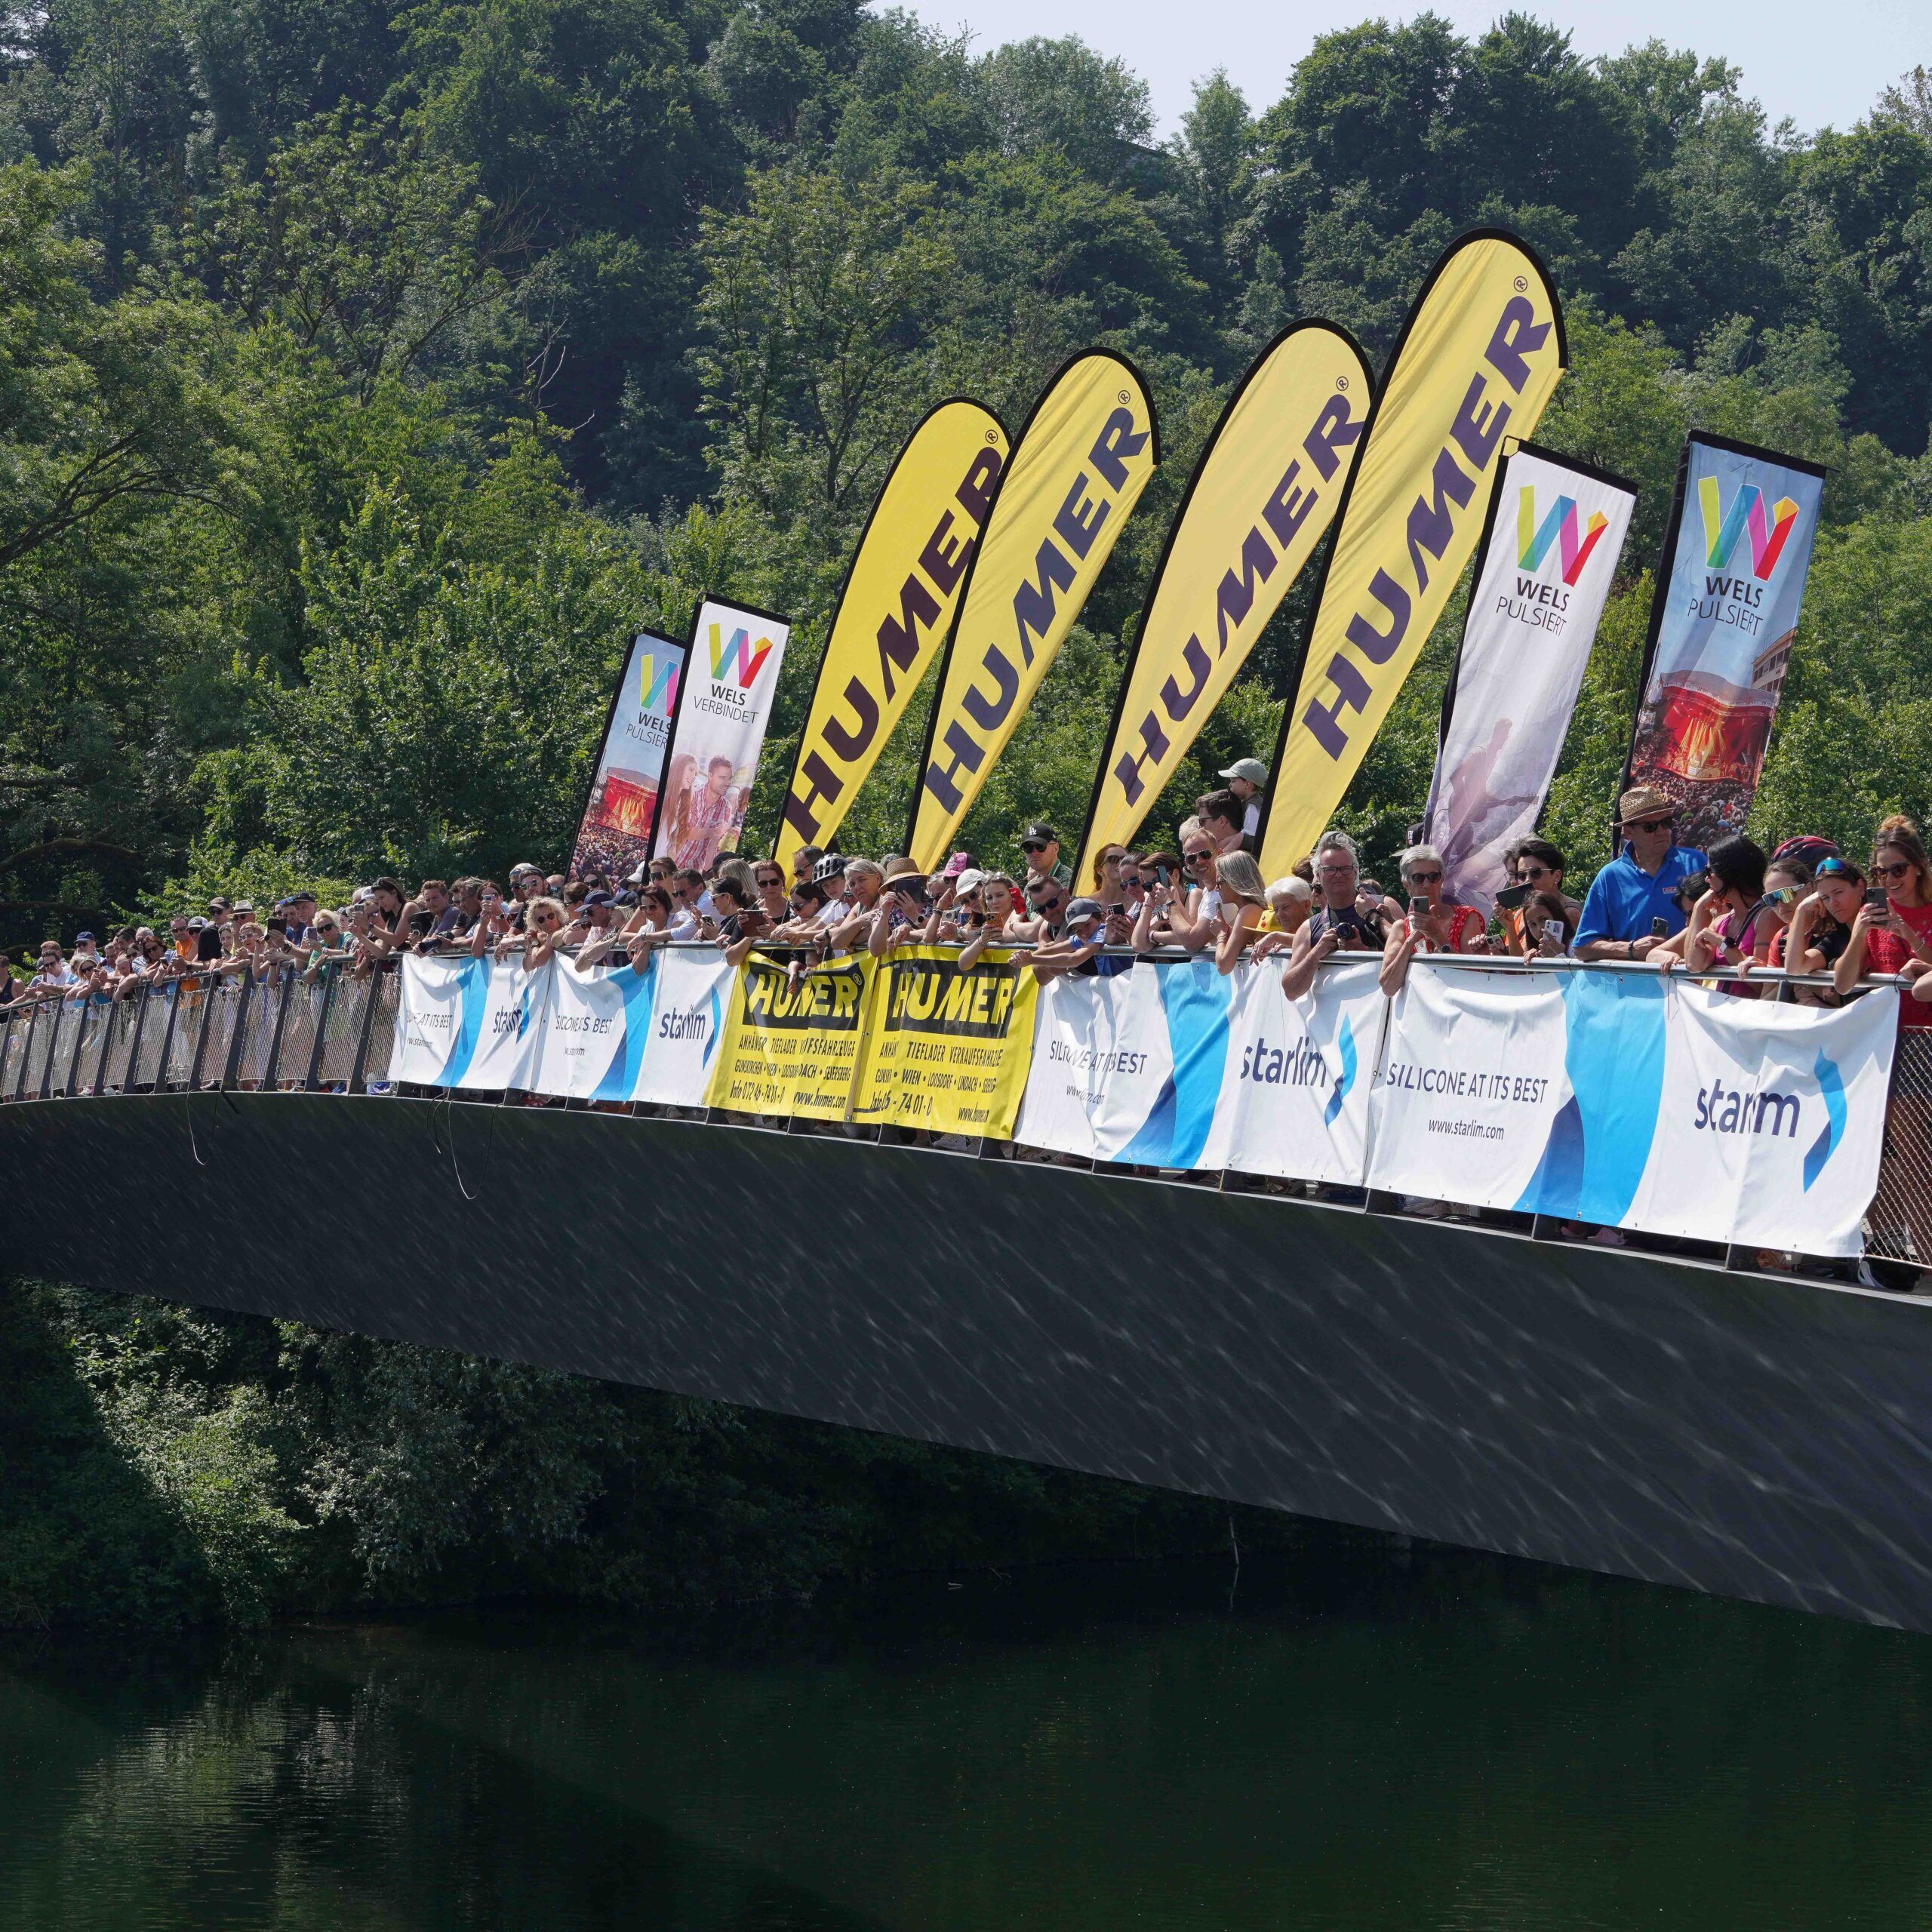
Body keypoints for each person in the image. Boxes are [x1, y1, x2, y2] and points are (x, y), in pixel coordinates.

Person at [1574, 786, 1706, 962]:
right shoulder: (1610, 877)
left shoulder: (1696, 862)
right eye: (1650, 826)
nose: (1661, 831)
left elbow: (1725, 917)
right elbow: (1582, 947)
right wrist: (1631, 949)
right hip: (1634, 985)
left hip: (1690, 982)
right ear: (1628, 832)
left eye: (1666, 823)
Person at [1278, 832, 1390, 1000]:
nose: (1339, 874)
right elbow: (1291, 991)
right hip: (1336, 1024)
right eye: (1330, 870)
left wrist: (1363, 951)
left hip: (1381, 1018)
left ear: (1355, 872)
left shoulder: (1384, 905)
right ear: (1318, 874)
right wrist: (1317, 952)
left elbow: (1413, 961)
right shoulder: (1309, 928)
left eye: (1345, 869)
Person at [1379, 843, 1491, 993]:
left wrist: (1437, 936)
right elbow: (1388, 987)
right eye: (1418, 878)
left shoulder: (1466, 917)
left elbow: (1471, 977)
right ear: (1407, 885)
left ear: (1442, 879)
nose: (1427, 884)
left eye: (1433, 877)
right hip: (1417, 1011)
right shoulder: (1400, 928)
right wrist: (1411, 940)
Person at [1211, 852, 1269, 972]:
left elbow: (1223, 967)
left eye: (1219, 883)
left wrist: (1221, 934)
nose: (1216, 889)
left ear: (1235, 881)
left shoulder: (1249, 911)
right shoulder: (1249, 909)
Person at [1218, 758, 1267, 841]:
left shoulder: (1253, 805)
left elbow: (1249, 834)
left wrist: (1227, 840)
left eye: (1233, 781)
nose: (1229, 785)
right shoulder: (1246, 802)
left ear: (1247, 784)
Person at [1018, 822, 1073, 890]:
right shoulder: (1030, 886)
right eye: (1028, 848)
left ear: (1056, 848)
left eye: (1040, 847)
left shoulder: (1068, 881)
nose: (1034, 853)